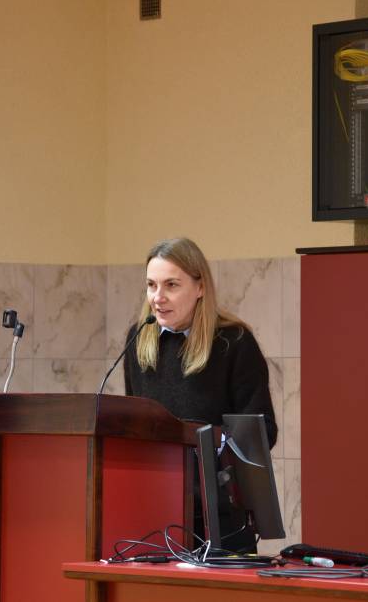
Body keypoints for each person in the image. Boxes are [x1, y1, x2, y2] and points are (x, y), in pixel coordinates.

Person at [122, 237, 277, 553]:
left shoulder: (234, 342)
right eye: (151, 285)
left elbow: (260, 433)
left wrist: (209, 444)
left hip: (221, 519)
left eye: (171, 285)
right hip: (154, 512)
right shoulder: (138, 339)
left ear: (200, 287)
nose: (158, 297)